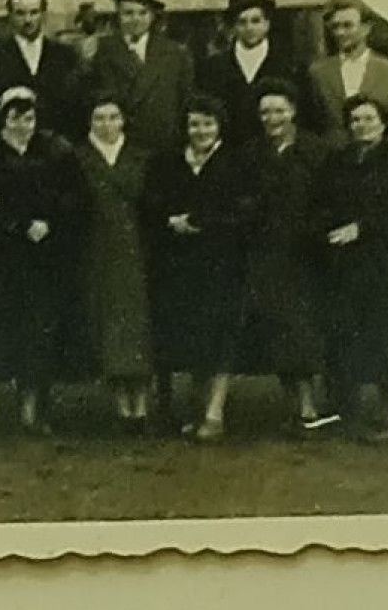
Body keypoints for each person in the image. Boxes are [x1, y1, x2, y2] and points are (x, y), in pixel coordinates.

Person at [0, 87, 85, 435]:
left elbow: (73, 197)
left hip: (40, 256)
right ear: (3, 118)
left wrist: (49, 222)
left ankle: (32, 412)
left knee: (36, 332)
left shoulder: (55, 151)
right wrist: (15, 224)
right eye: (15, 117)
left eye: (29, 117)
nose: (22, 125)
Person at [318, 94, 388, 441]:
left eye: (368, 119)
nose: (361, 126)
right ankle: (353, 413)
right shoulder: (339, 162)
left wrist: (361, 228)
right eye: (355, 120)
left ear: (384, 124)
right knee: (356, 335)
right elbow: (324, 202)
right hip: (351, 265)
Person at [145, 93, 251, 442]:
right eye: (194, 124)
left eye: (207, 124)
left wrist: (200, 220)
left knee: (220, 335)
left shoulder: (234, 162)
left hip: (220, 260)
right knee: (192, 336)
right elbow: (153, 202)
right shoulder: (171, 161)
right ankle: (196, 408)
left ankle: (215, 412)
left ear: (219, 126)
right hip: (180, 263)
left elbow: (241, 208)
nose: (200, 131)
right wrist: (169, 220)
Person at [240, 78, 335, 434]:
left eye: (279, 110)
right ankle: (292, 404)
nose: (272, 118)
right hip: (267, 252)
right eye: (265, 111)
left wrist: (315, 230)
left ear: (293, 111)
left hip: (307, 252)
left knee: (305, 327)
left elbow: (329, 199)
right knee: (278, 327)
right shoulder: (251, 154)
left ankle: (310, 405)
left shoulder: (316, 150)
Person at [76, 93, 155, 432]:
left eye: (113, 117)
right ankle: (122, 404)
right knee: (108, 320)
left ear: (123, 121)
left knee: (137, 320)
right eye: (99, 118)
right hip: (98, 248)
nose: (107, 125)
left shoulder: (141, 157)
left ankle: (141, 404)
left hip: (135, 248)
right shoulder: (79, 158)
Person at [89, 0, 195, 156]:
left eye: (142, 13)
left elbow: (185, 102)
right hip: (119, 149)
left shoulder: (175, 53)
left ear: (152, 16)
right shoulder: (101, 52)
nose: (135, 19)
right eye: (128, 13)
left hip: (165, 147)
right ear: (118, 15)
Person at [0, 0, 86, 140]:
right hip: (11, 145)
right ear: (10, 16)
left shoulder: (65, 56)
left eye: (34, 13)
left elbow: (75, 105)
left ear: (44, 15)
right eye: (20, 13)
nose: (27, 20)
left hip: (56, 144)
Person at [197, 0, 301, 150]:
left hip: (276, 153)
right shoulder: (213, 67)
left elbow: (303, 116)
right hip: (230, 155)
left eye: (256, 20)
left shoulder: (289, 64)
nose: (250, 27)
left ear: (267, 24)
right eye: (242, 22)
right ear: (233, 27)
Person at [307, 1, 388, 150]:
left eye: (348, 25)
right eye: (335, 27)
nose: (340, 33)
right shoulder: (318, 72)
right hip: (334, 160)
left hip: (380, 160)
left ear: (366, 28)